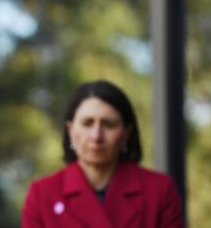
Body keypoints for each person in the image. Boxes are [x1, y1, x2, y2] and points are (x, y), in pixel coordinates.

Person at [21, 80, 184, 228]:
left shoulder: (159, 190)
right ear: (71, 131)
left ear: (126, 133)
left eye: (109, 124)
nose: (96, 136)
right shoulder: (42, 194)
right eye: (87, 123)